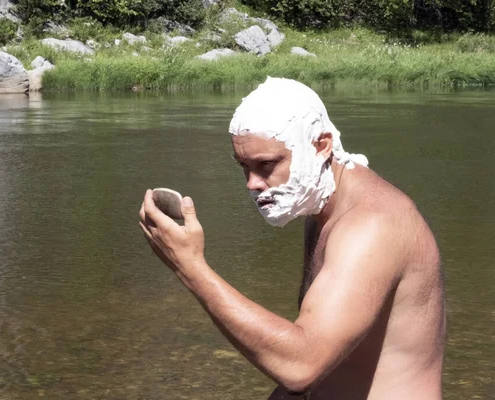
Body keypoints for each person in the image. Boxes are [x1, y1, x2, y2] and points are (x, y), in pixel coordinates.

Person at [138, 77, 445, 400]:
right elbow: (320, 360)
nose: (252, 183)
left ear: (321, 145)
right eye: (244, 166)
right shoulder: (324, 207)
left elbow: (301, 366)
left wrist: (190, 267)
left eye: (266, 165)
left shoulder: (372, 227)